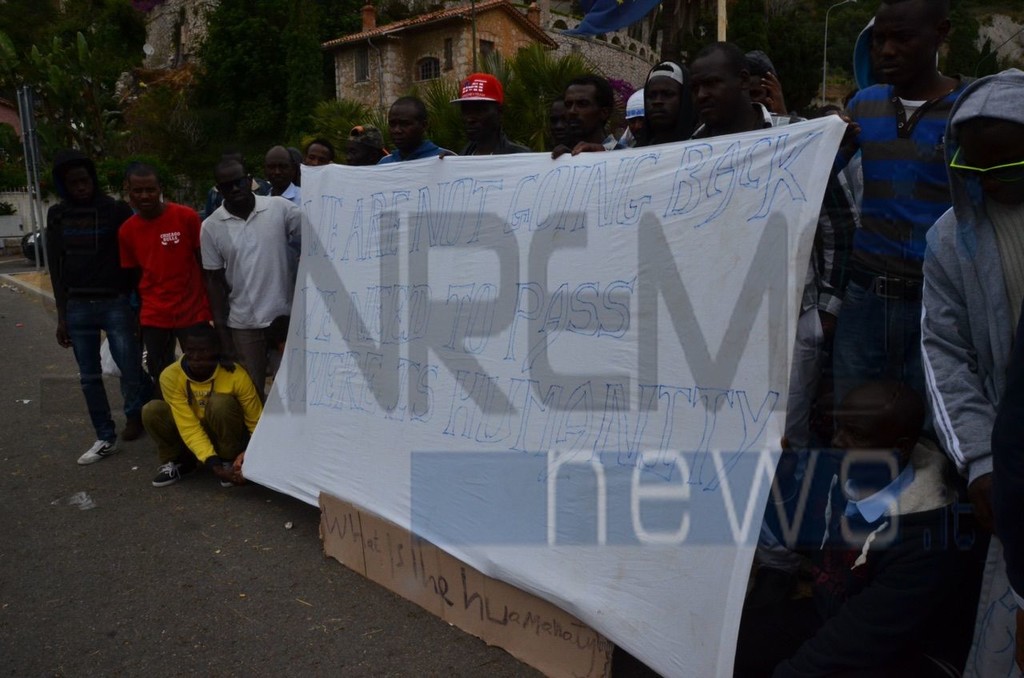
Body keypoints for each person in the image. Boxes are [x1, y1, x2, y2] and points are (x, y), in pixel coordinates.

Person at [735, 381, 979, 676]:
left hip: (904, 652)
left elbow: (859, 637)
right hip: (834, 616)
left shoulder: (928, 537)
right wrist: (781, 484)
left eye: (856, 434)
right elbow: (805, 539)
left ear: (900, 447)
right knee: (731, 645)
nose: (838, 441)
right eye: (838, 427)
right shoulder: (846, 471)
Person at [832, 0, 969, 408]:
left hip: (941, 303)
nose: (887, 50)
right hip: (864, 299)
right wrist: (832, 150)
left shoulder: (971, 107)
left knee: (934, 424)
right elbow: (817, 183)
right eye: (879, 40)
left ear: (941, 34)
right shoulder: (862, 105)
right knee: (855, 417)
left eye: (902, 38)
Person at [923, 69, 1024, 579]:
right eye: (971, 166)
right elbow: (944, 353)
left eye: (1004, 167)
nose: (986, 181)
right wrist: (981, 458)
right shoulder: (949, 241)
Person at [45, 150, 151, 464]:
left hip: (115, 301)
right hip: (77, 306)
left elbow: (132, 258)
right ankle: (105, 435)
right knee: (89, 377)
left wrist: (137, 304)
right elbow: (56, 266)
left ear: (92, 179)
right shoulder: (57, 215)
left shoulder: (115, 210)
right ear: (64, 185)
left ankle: (135, 413)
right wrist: (62, 315)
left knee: (130, 367)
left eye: (85, 180)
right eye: (73, 182)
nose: (81, 187)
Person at [202, 158, 302, 402]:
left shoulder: (279, 208)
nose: (235, 188)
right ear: (219, 189)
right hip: (243, 325)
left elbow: (317, 234)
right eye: (227, 185)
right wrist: (223, 336)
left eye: (239, 182)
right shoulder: (210, 227)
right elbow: (214, 282)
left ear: (250, 180)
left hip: (285, 319)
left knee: (293, 392)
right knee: (250, 395)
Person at [119, 165, 212, 397]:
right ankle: (169, 414)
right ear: (128, 192)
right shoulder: (126, 231)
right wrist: (138, 316)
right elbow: (133, 277)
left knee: (202, 369)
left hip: (192, 312)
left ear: (160, 189)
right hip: (155, 315)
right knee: (161, 373)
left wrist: (211, 308)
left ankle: (201, 414)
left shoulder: (186, 217)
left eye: (150, 189)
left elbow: (204, 264)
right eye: (138, 191)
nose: (144, 196)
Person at [141, 324, 262, 488]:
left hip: (226, 435)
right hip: (192, 435)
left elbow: (256, 422)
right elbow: (188, 426)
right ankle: (180, 461)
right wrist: (214, 465)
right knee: (152, 410)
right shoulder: (170, 376)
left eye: (203, 351)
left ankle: (229, 461)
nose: (196, 357)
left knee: (220, 403)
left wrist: (251, 455)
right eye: (190, 350)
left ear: (216, 350)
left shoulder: (236, 374)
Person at [690, 42, 772, 139]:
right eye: (695, 88)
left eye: (711, 83)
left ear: (743, 80)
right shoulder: (689, 145)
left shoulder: (786, 132)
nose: (700, 95)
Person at [451, 73, 530, 155]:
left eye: (479, 110)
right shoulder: (460, 157)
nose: (469, 119)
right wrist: (449, 161)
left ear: (499, 112)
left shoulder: (521, 157)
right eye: (465, 110)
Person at [551, 75, 618, 158]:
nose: (572, 111)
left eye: (582, 104)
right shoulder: (561, 155)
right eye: (568, 105)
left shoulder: (626, 155)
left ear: (604, 113)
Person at [634, 61, 696, 147]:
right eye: (651, 96)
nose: (657, 101)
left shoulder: (705, 146)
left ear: (684, 97)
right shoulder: (636, 151)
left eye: (668, 94)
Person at [378, 96, 453, 164]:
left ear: (424, 125)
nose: (397, 130)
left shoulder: (444, 159)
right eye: (392, 124)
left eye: (405, 124)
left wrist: (451, 163)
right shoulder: (384, 163)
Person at [202, 150, 270, 218]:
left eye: (239, 182)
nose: (235, 189)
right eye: (227, 164)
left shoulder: (262, 186)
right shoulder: (214, 193)